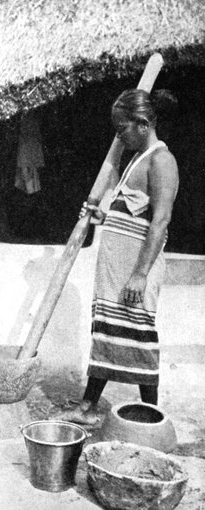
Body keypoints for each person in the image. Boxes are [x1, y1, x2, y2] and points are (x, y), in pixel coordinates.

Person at [56, 89, 179, 425]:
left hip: (136, 269)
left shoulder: (161, 160)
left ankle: (152, 416)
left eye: (122, 129)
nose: (119, 136)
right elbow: (130, 213)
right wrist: (98, 215)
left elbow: (161, 220)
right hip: (117, 267)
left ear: (142, 123)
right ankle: (87, 406)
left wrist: (140, 274)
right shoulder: (136, 159)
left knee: (138, 335)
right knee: (110, 333)